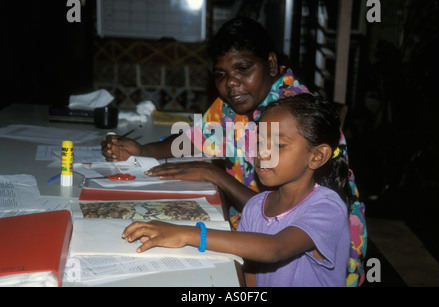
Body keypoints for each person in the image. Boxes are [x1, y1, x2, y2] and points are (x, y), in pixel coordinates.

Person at [101, 17, 366, 286]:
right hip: (260, 233)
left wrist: (215, 178)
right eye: (221, 74)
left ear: (271, 64)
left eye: (243, 68)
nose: (232, 83)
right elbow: (201, 137)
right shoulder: (236, 103)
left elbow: (280, 238)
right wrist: (143, 149)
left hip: (313, 252)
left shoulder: (295, 116)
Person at [122, 94, 352, 287]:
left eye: (278, 145)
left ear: (317, 156)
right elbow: (249, 272)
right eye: (260, 142)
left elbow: (275, 248)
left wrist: (189, 234)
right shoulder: (256, 206)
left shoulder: (327, 207)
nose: (262, 153)